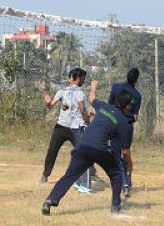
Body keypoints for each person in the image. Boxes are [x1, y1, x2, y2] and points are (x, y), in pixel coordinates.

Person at [41, 80, 132, 216]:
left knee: (69, 175)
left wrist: (94, 87)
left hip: (82, 145)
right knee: (117, 174)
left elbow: (91, 99)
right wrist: (130, 166)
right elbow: (125, 151)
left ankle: (50, 200)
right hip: (100, 149)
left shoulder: (104, 106)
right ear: (127, 106)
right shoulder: (123, 122)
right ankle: (115, 206)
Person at [40, 68, 88, 185]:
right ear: (77, 79)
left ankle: (91, 173)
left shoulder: (76, 92)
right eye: (82, 79)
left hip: (74, 128)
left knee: (83, 151)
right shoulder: (64, 92)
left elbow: (52, 106)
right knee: (53, 150)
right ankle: (45, 175)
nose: (83, 81)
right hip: (62, 127)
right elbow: (51, 105)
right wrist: (47, 98)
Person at [108, 67, 141, 196]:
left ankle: (124, 183)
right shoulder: (137, 95)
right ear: (137, 80)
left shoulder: (116, 87)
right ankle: (127, 181)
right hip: (127, 126)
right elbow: (135, 117)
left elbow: (110, 105)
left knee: (116, 154)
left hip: (114, 122)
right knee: (125, 152)